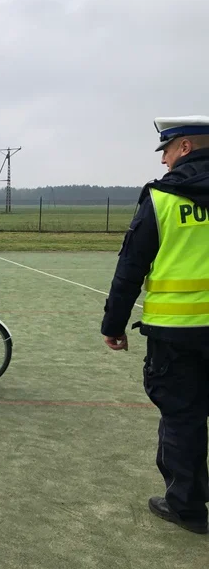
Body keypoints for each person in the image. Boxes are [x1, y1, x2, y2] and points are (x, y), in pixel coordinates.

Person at [102, 115, 209, 534]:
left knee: (182, 416)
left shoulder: (163, 198)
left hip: (176, 333)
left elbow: (131, 267)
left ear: (184, 147)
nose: (163, 161)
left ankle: (185, 507)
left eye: (165, 150)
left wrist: (113, 324)